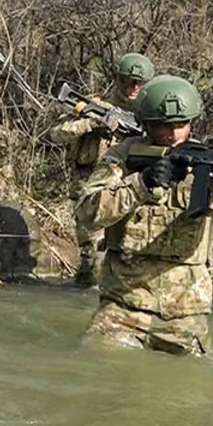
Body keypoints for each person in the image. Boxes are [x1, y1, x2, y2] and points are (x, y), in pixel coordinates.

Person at [74, 75, 213, 355]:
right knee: (94, 365)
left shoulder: (205, 160)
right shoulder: (123, 157)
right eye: (162, 125)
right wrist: (142, 184)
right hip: (123, 305)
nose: (172, 133)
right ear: (145, 124)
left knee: (184, 393)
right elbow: (87, 213)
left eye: (180, 125)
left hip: (186, 311)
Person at [49, 53, 155, 287]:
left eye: (139, 83)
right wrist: (93, 123)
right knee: (93, 261)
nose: (134, 87)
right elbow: (56, 134)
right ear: (117, 78)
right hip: (92, 194)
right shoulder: (94, 106)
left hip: (130, 194)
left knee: (127, 259)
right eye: (129, 80)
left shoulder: (148, 115)